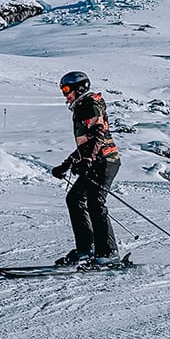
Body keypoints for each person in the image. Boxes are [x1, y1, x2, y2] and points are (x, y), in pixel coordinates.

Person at [50, 71, 121, 265]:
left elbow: (99, 134)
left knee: (95, 203)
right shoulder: (81, 107)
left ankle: (108, 253)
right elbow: (85, 144)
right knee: (74, 199)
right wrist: (66, 165)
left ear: (80, 87)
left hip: (106, 160)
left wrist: (88, 159)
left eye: (66, 89)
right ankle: (86, 248)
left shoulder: (90, 104)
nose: (65, 94)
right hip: (95, 161)